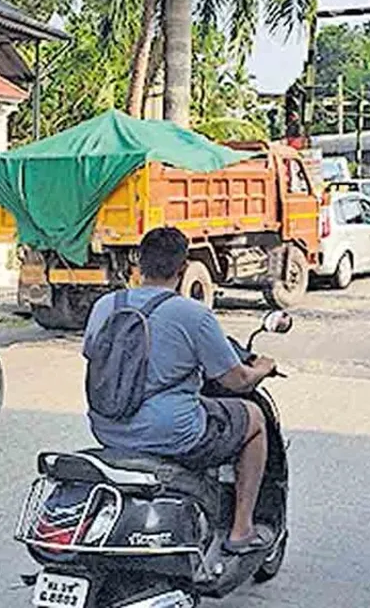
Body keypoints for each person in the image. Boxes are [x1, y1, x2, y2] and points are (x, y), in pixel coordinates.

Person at [84, 227, 277, 554]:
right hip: (172, 434)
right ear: (183, 268)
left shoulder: (106, 305)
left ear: (138, 263)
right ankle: (241, 529)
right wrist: (264, 367)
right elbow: (236, 381)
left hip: (107, 429)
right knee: (255, 420)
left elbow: (94, 356)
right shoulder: (194, 314)